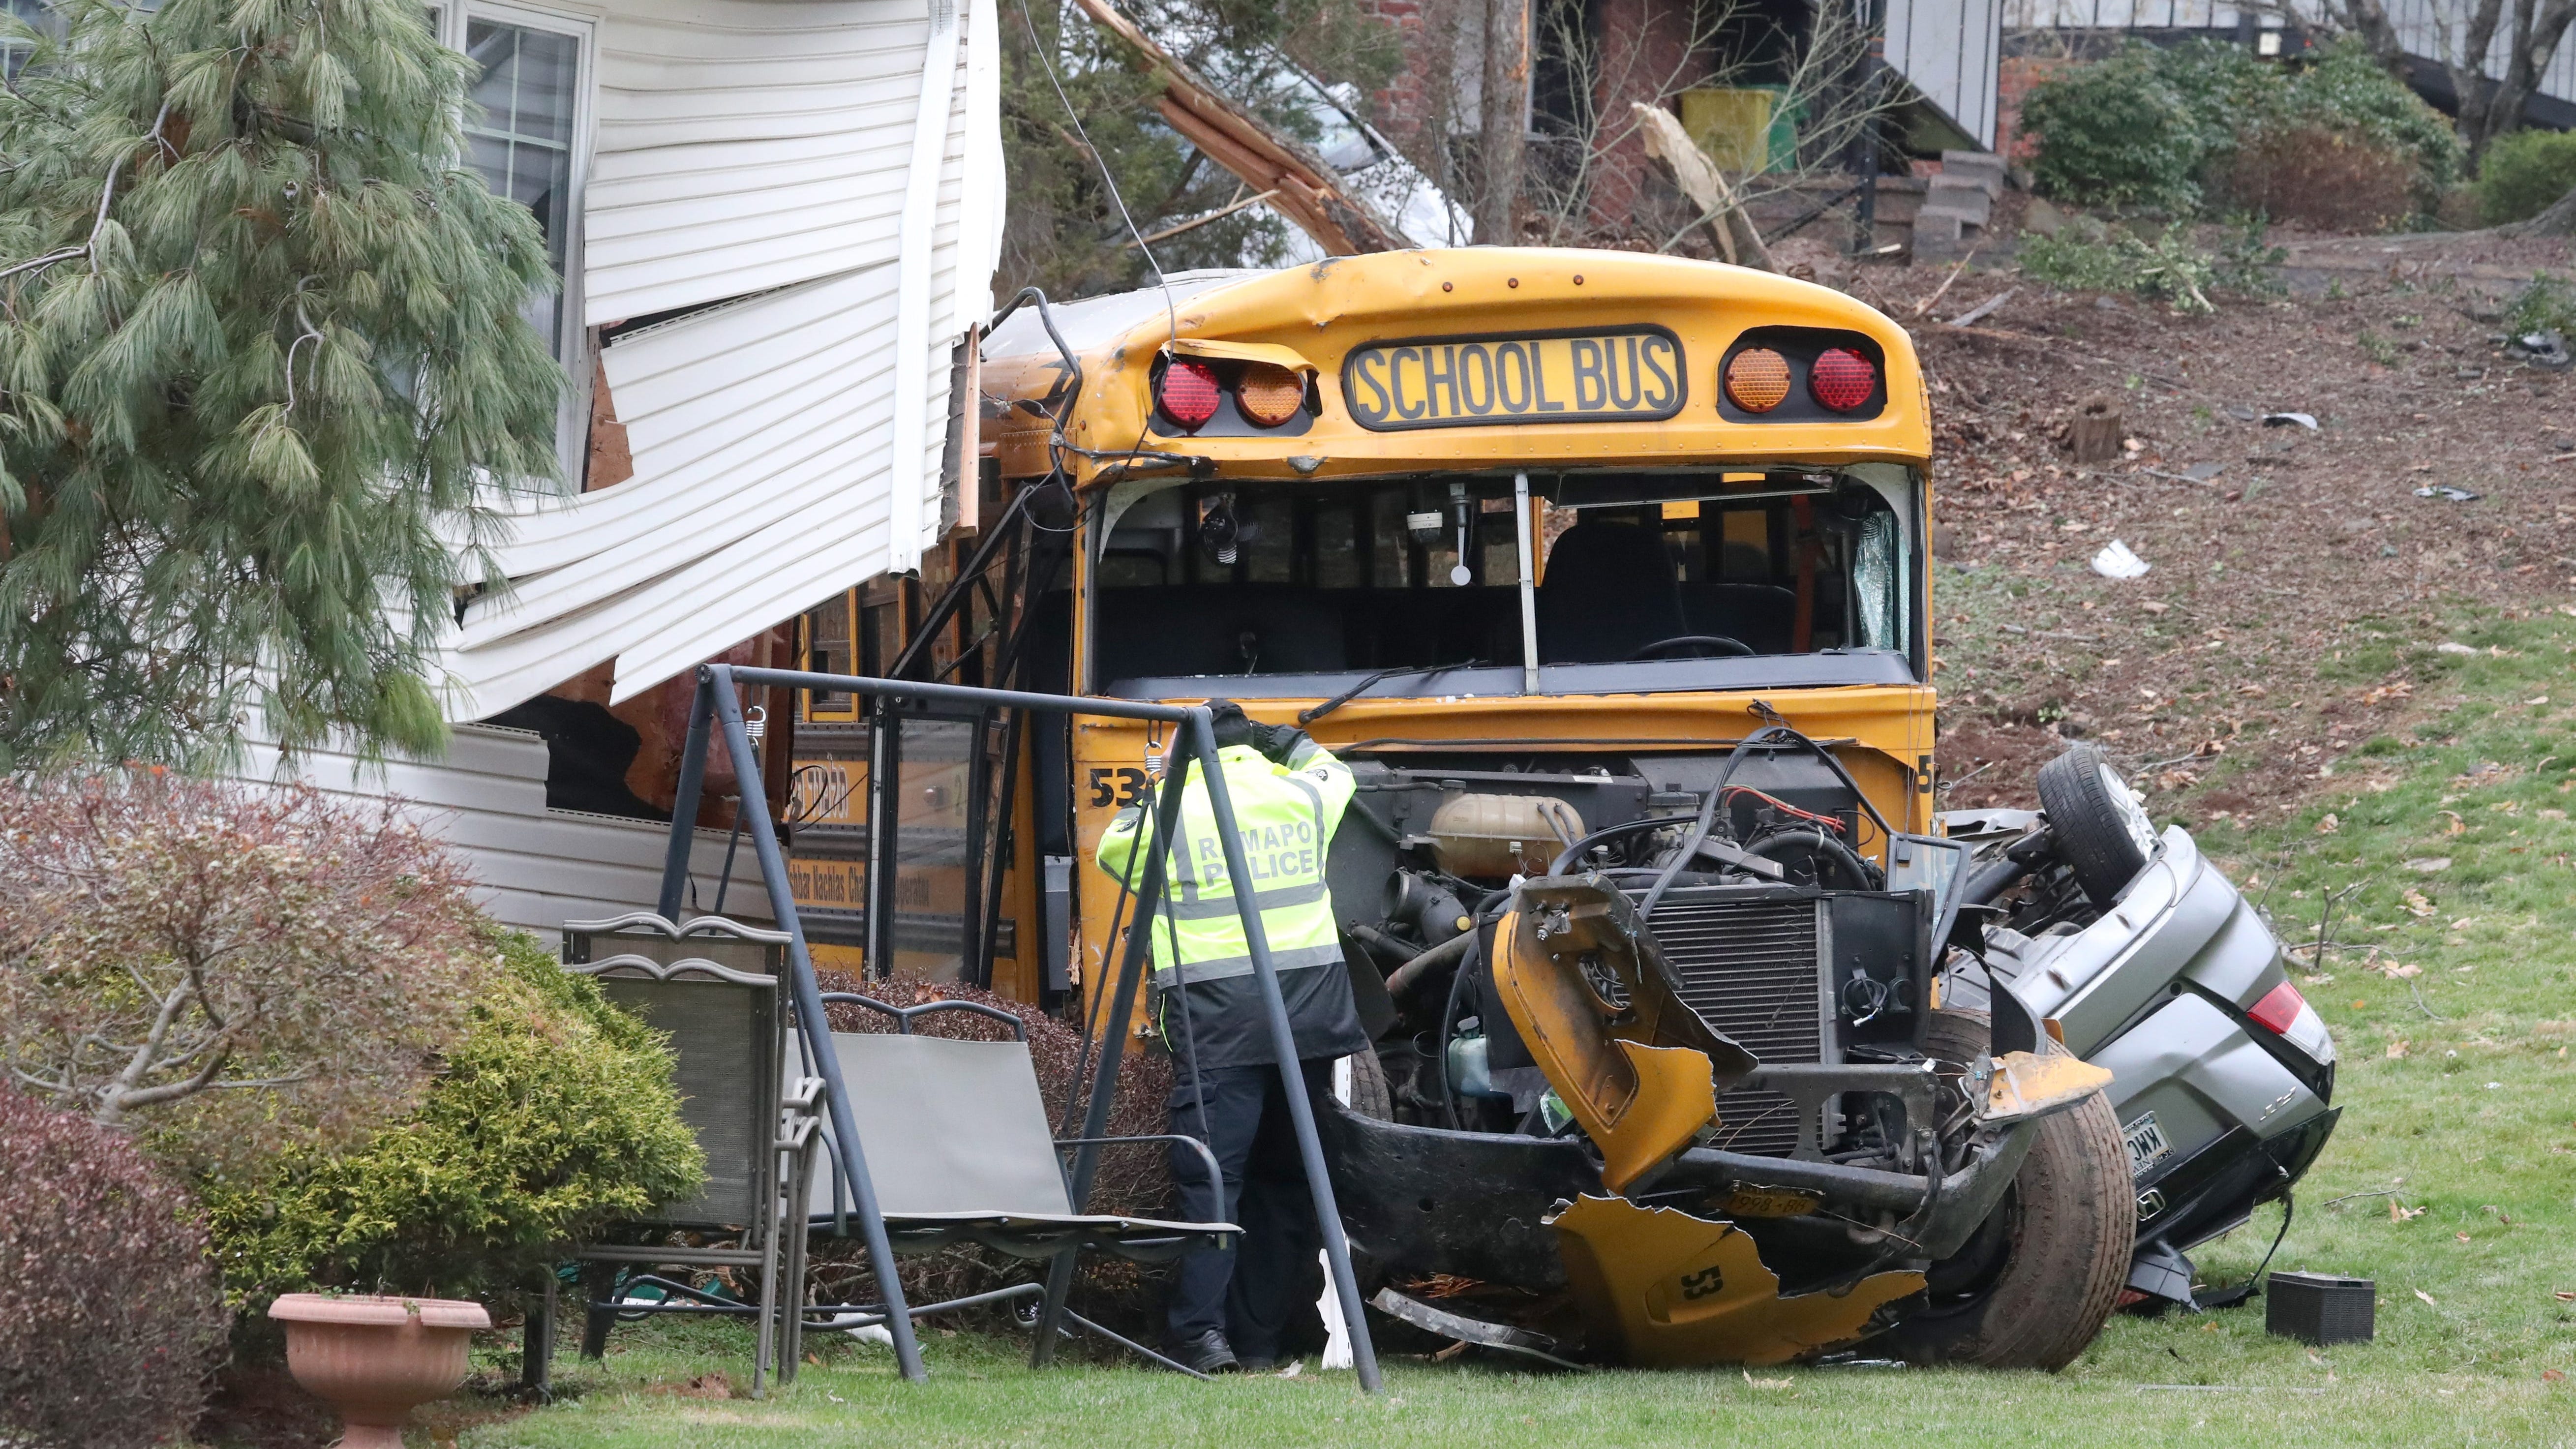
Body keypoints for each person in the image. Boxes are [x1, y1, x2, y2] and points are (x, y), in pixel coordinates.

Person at [1092, 699, 1368, 1375]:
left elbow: (1110, 847)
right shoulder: (1301, 794)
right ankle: (1257, 1340)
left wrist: (1167, 778)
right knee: (1284, 1179)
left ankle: (1198, 1337)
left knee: (1212, 1180)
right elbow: (1335, 771)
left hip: (1221, 1023)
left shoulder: (1170, 811)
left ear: (1188, 754)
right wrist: (1283, 740)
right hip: (1307, 1022)